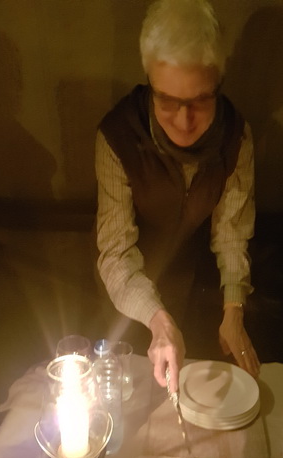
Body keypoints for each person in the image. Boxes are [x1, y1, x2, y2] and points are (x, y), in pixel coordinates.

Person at [95, 0, 260, 394]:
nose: (185, 121)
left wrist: (233, 309)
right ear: (149, 81)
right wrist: (158, 319)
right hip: (125, 300)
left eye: (200, 100)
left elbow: (231, 234)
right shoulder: (117, 137)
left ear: (218, 82)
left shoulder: (236, 138)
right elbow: (116, 253)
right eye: (167, 101)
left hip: (192, 291)